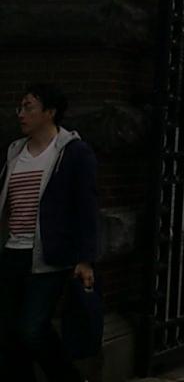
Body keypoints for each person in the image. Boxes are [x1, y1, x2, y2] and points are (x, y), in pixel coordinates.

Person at [1, 84, 98, 382]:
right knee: (9, 332)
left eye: (29, 107)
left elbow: (86, 206)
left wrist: (85, 258)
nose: (21, 114)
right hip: (12, 253)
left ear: (50, 112)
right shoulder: (14, 152)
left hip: (48, 256)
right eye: (20, 107)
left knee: (32, 328)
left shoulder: (73, 152)